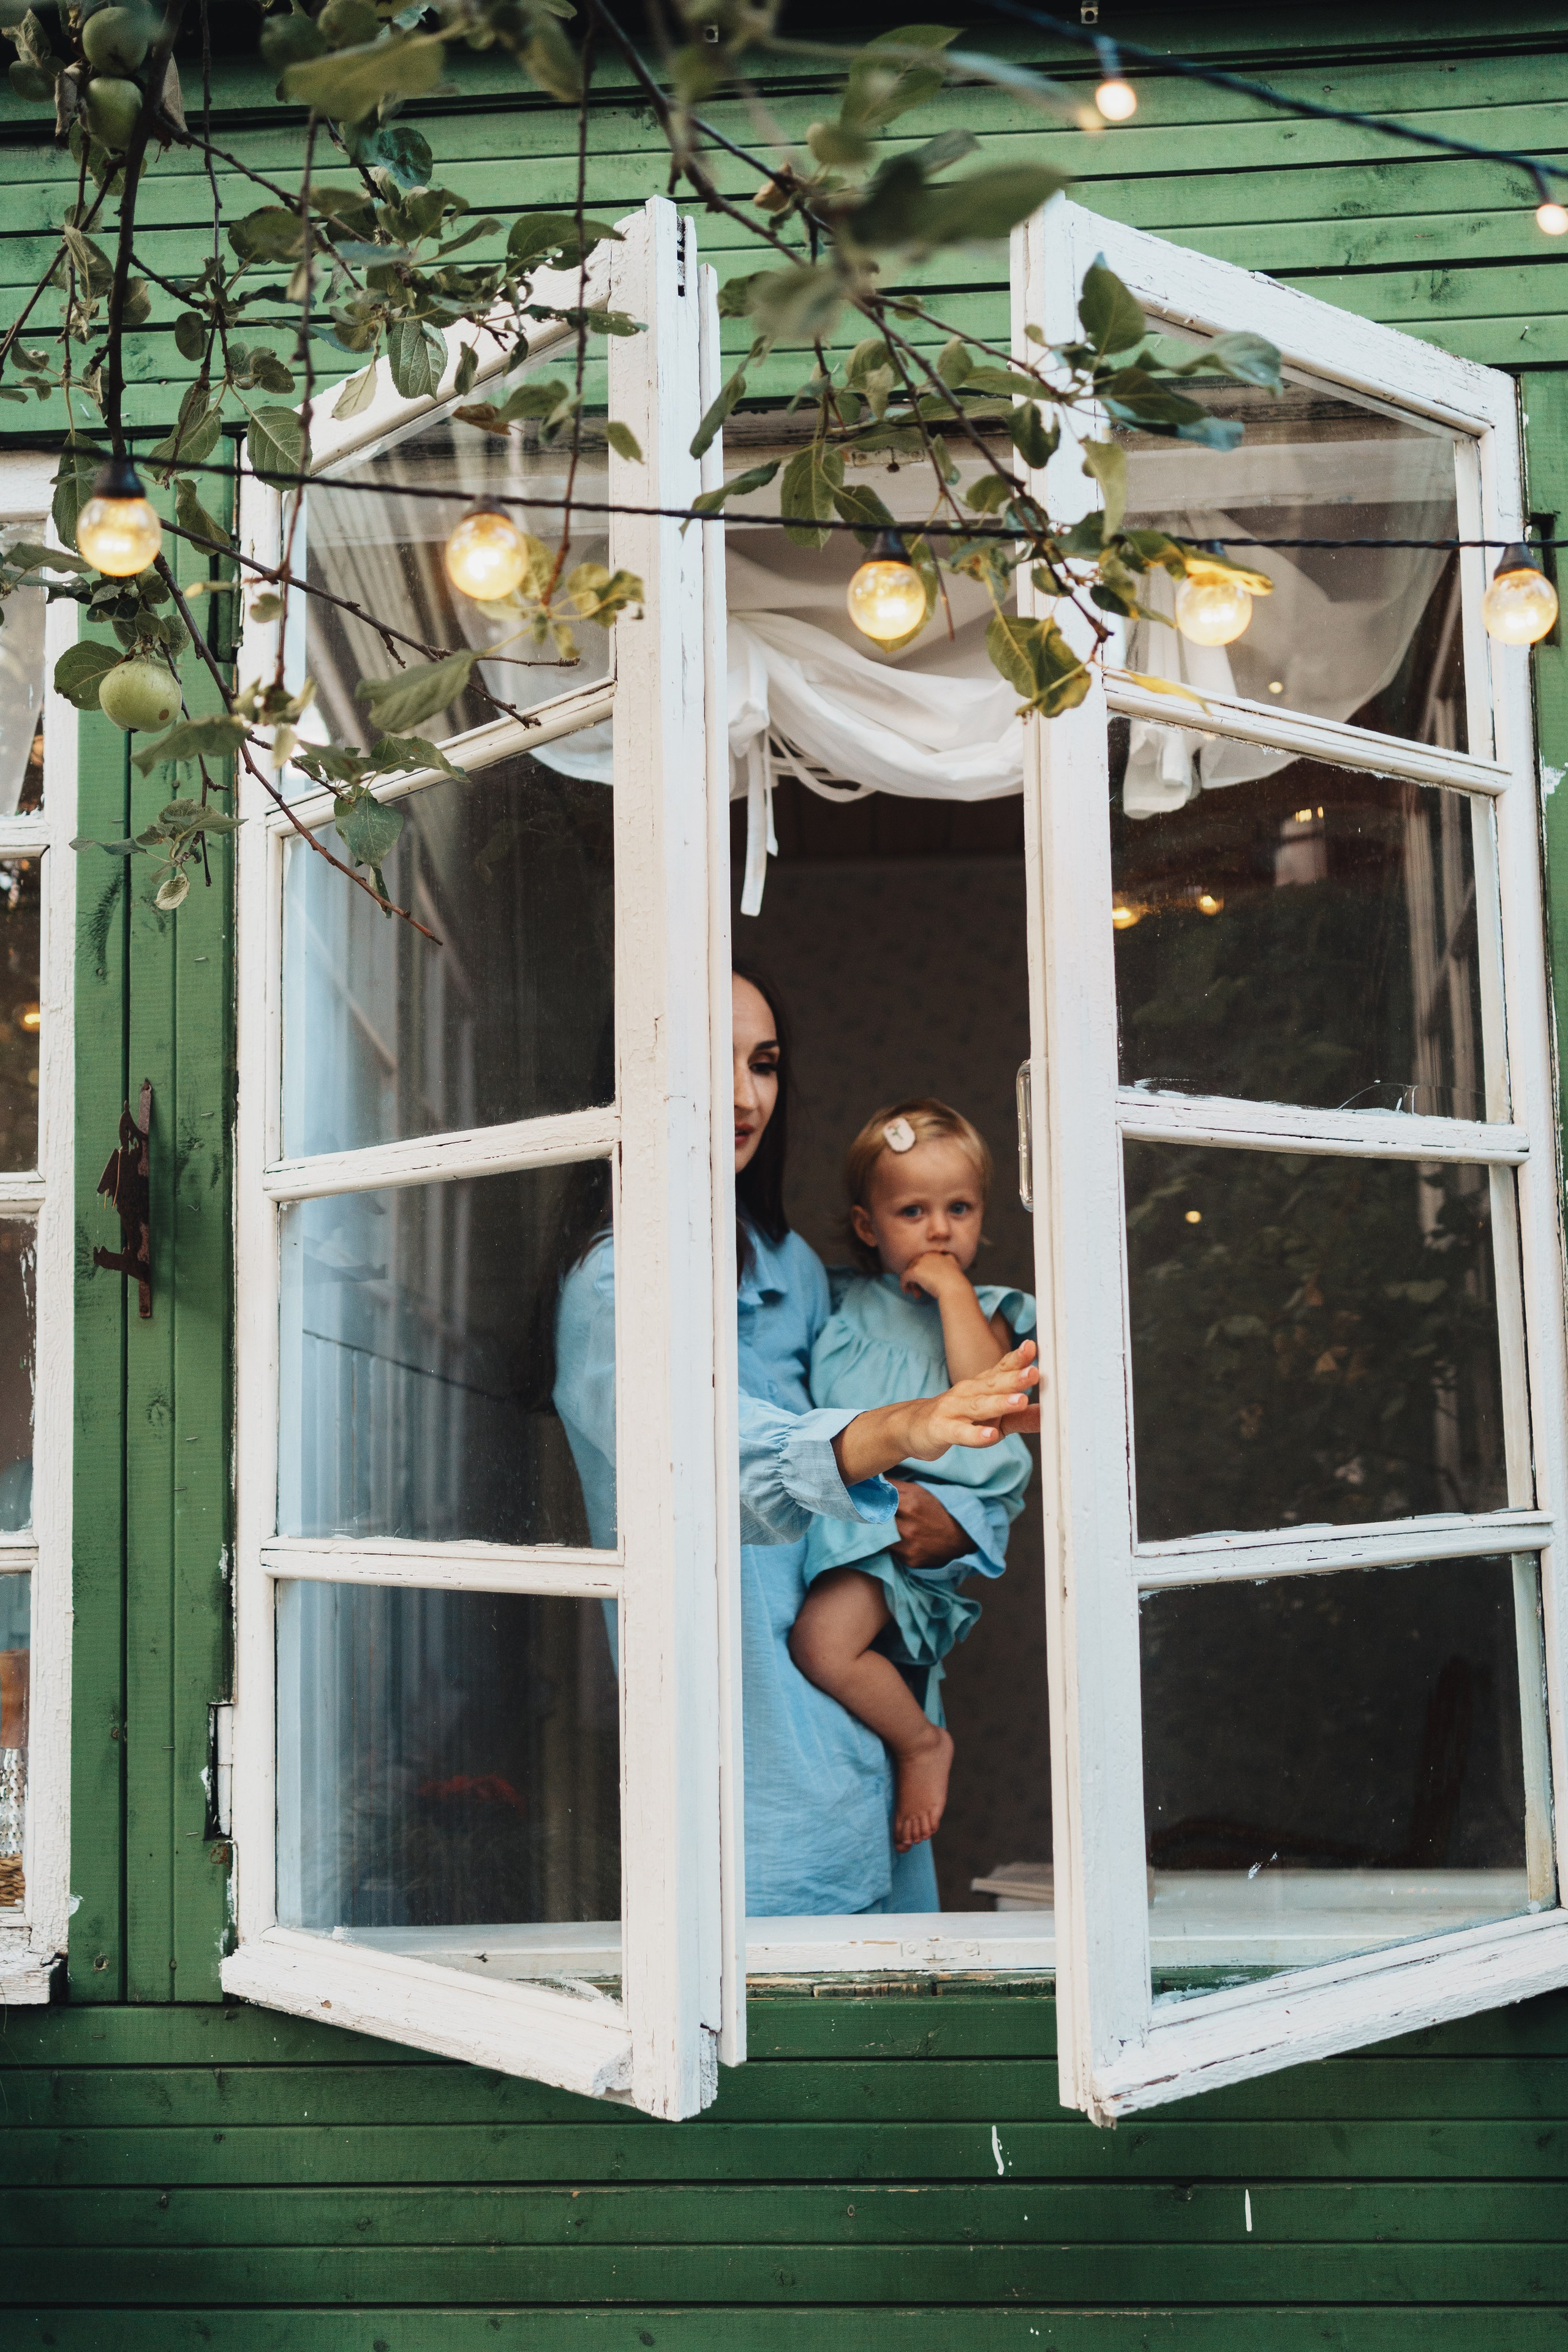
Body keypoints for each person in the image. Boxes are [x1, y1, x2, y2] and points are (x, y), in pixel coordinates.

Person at [552, 969, 1039, 1917]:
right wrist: (903, 1430)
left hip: (876, 1724)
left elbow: (932, 1447)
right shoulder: (614, 1288)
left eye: (765, 1065)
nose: (744, 1097)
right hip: (756, 1761)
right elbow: (716, 1458)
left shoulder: (787, 1267)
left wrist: (959, 1516)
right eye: (710, 1062)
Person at [787, 1101, 1036, 1856]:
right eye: (913, 1211)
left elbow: (981, 1390)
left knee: (822, 1646)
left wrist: (955, 1291)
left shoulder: (988, 1312)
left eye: (958, 1209)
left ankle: (923, 1744)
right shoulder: (840, 1302)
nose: (938, 1231)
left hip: (919, 1521)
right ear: (869, 1227)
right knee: (832, 1653)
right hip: (848, 1506)